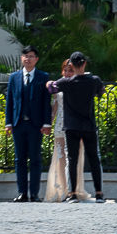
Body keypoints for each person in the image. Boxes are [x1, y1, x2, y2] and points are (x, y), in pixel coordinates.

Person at [44, 50, 107, 202]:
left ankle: (72, 194)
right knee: (93, 159)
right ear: (84, 63)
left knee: (72, 159)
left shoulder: (66, 82)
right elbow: (101, 92)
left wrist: (48, 83)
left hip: (71, 125)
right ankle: (99, 193)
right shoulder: (94, 80)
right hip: (89, 124)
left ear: (71, 64)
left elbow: (52, 88)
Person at [3, 45, 53, 203]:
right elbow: (10, 102)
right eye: (25, 56)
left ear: (36, 59)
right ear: (21, 58)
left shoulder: (43, 77)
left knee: (35, 159)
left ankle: (34, 194)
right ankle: (22, 192)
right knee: (20, 159)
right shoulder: (14, 77)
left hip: (36, 125)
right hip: (18, 124)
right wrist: (8, 122)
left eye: (31, 56)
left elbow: (46, 102)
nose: (28, 59)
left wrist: (47, 123)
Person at [46, 58, 76, 202]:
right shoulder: (58, 85)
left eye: (70, 70)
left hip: (74, 126)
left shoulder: (79, 84)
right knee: (60, 159)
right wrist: (48, 124)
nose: (68, 73)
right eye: (65, 70)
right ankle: (62, 191)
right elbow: (54, 108)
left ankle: (72, 191)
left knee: (72, 159)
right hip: (60, 126)